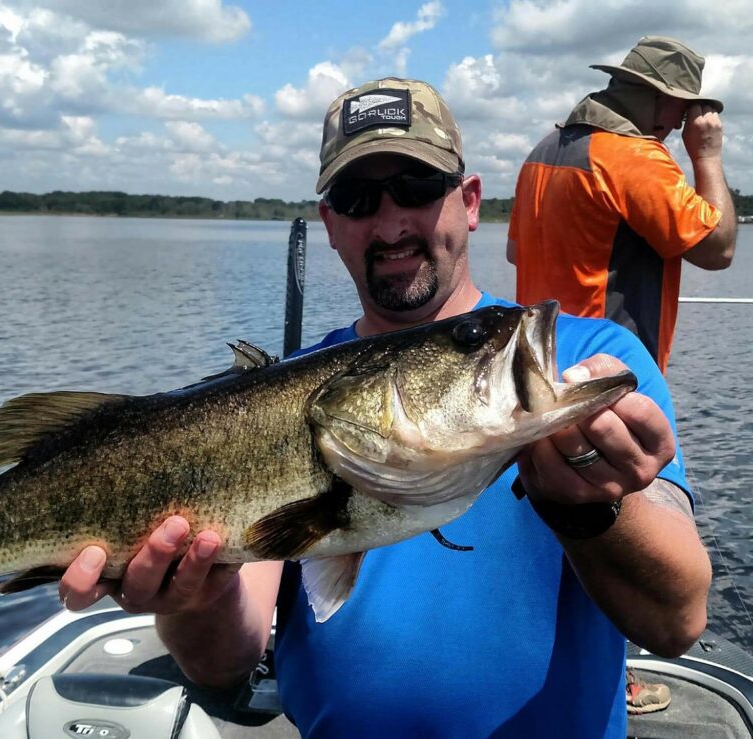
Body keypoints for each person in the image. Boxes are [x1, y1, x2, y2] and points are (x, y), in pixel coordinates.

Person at [58, 77, 712, 737]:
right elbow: (224, 666)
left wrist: (598, 508)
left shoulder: (588, 354)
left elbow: (678, 619)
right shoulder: (280, 404)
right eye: (358, 198)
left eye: (420, 187)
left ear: (470, 201)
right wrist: (196, 599)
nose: (392, 222)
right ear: (331, 224)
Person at [507, 35, 736, 374]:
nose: (678, 124)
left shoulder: (543, 151)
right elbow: (718, 249)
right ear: (658, 98)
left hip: (540, 368)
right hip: (606, 371)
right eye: (681, 110)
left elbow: (515, 253)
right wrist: (707, 155)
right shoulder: (634, 157)